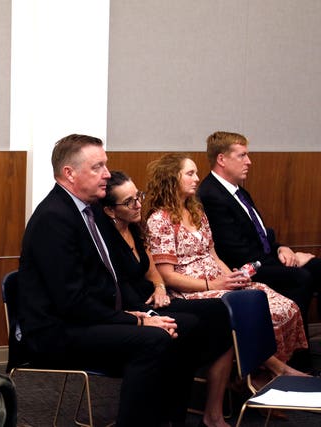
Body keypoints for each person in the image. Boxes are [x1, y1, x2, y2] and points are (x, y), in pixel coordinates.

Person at [17, 134, 224, 426]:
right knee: (154, 339)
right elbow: (71, 302)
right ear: (69, 173)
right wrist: (136, 320)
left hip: (91, 317)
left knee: (188, 324)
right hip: (57, 331)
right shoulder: (54, 218)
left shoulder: (91, 211)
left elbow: (120, 274)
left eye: (106, 165)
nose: (106, 174)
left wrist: (146, 305)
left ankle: (169, 420)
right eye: (97, 167)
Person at [142, 153, 309, 379]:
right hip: (190, 290)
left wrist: (233, 277)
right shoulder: (160, 220)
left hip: (218, 281)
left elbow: (213, 254)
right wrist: (213, 284)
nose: (197, 178)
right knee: (256, 310)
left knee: (282, 305)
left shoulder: (196, 211)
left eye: (196, 173)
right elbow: (167, 276)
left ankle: (262, 372)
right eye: (190, 173)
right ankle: (268, 372)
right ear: (172, 179)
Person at [98, 170, 233, 427]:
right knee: (187, 327)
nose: (138, 204)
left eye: (138, 196)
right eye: (129, 202)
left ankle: (208, 410)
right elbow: (118, 292)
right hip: (131, 307)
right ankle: (170, 414)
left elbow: (153, 271)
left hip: (152, 298)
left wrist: (160, 288)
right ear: (110, 211)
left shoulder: (135, 227)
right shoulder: (105, 239)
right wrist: (149, 305)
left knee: (219, 310)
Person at [197, 131, 320, 331]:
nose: (249, 161)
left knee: (317, 266)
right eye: (242, 155)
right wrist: (291, 260)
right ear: (222, 159)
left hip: (262, 258)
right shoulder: (211, 195)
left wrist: (283, 249)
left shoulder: (239, 191)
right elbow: (236, 252)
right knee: (301, 276)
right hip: (243, 269)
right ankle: (294, 353)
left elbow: (261, 234)